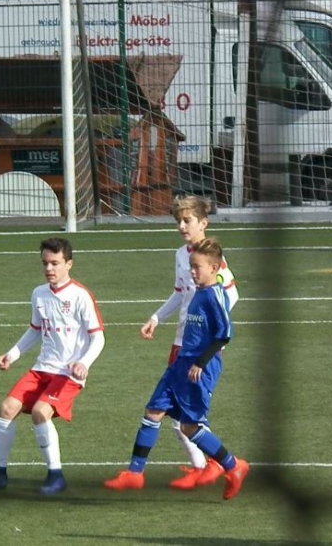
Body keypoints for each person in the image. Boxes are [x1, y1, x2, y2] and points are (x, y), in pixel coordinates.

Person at [104, 238, 249, 500]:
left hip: (200, 368)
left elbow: (224, 334)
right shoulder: (198, 291)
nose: (192, 271)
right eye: (191, 266)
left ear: (214, 268)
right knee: (153, 410)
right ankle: (135, 473)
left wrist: (200, 363)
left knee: (189, 427)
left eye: (197, 267)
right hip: (181, 362)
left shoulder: (215, 295)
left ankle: (233, 466)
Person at [0, 237, 106, 496]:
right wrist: (13, 354)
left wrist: (84, 363)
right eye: (45, 263)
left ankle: (56, 476)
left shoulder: (80, 295)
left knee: (41, 412)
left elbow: (98, 337)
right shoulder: (39, 294)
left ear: (69, 264)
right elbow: (35, 330)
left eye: (55, 263)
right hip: (42, 369)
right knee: (6, 408)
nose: (49, 268)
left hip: (68, 374)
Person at [141, 195, 240, 490]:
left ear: (203, 223)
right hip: (180, 342)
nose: (182, 226)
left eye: (187, 221)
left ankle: (211, 465)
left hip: (199, 349)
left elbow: (231, 296)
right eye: (178, 221)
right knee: (174, 411)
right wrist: (156, 317)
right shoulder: (180, 255)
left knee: (184, 411)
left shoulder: (213, 261)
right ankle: (204, 465)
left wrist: (207, 334)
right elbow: (179, 293)